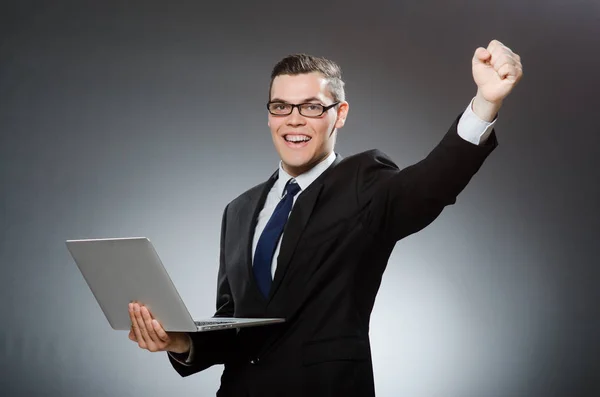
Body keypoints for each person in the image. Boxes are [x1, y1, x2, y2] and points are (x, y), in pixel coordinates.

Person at [127, 39, 523, 396]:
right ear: (269, 116)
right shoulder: (239, 210)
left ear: (340, 114)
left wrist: (485, 104)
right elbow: (236, 324)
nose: (294, 119)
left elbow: (429, 185)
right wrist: (183, 342)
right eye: (281, 106)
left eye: (312, 107)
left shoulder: (363, 182)